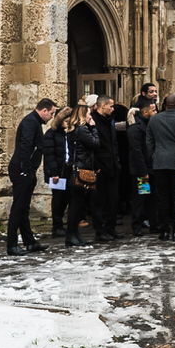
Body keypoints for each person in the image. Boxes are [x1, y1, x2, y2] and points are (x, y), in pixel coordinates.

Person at [5, 98, 56, 255]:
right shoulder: (30, 122)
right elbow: (26, 145)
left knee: (24, 207)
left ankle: (30, 242)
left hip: (26, 169)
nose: (52, 117)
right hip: (22, 169)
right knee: (18, 207)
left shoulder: (35, 122)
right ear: (44, 110)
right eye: (52, 113)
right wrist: (26, 169)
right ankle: (11, 244)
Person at [146, 92, 175, 240]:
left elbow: (149, 142)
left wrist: (154, 156)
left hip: (160, 162)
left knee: (162, 197)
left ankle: (164, 229)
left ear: (166, 105)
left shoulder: (154, 120)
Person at [64, 97, 102, 247]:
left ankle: (74, 234)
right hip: (81, 169)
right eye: (88, 114)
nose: (90, 116)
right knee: (77, 205)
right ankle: (71, 235)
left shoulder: (74, 130)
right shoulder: (82, 130)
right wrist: (93, 128)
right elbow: (96, 144)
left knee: (78, 204)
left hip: (77, 167)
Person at [90, 95, 121, 241]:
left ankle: (111, 227)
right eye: (111, 105)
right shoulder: (93, 121)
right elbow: (92, 146)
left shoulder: (109, 121)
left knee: (113, 199)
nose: (113, 108)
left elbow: (113, 143)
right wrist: (97, 166)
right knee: (99, 201)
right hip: (100, 167)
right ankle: (100, 230)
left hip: (112, 165)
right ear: (103, 106)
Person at [125, 98, 156, 236]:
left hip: (150, 167)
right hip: (142, 170)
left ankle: (152, 224)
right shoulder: (136, 128)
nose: (156, 112)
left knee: (150, 198)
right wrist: (143, 171)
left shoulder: (148, 124)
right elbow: (136, 151)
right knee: (140, 197)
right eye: (153, 110)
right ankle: (137, 225)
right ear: (145, 111)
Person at [42, 112, 71, 237]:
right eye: (65, 119)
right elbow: (49, 154)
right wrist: (54, 173)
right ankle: (57, 225)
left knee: (67, 198)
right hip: (58, 171)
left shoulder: (70, 133)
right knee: (58, 200)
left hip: (68, 169)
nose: (68, 121)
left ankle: (65, 224)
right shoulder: (51, 134)